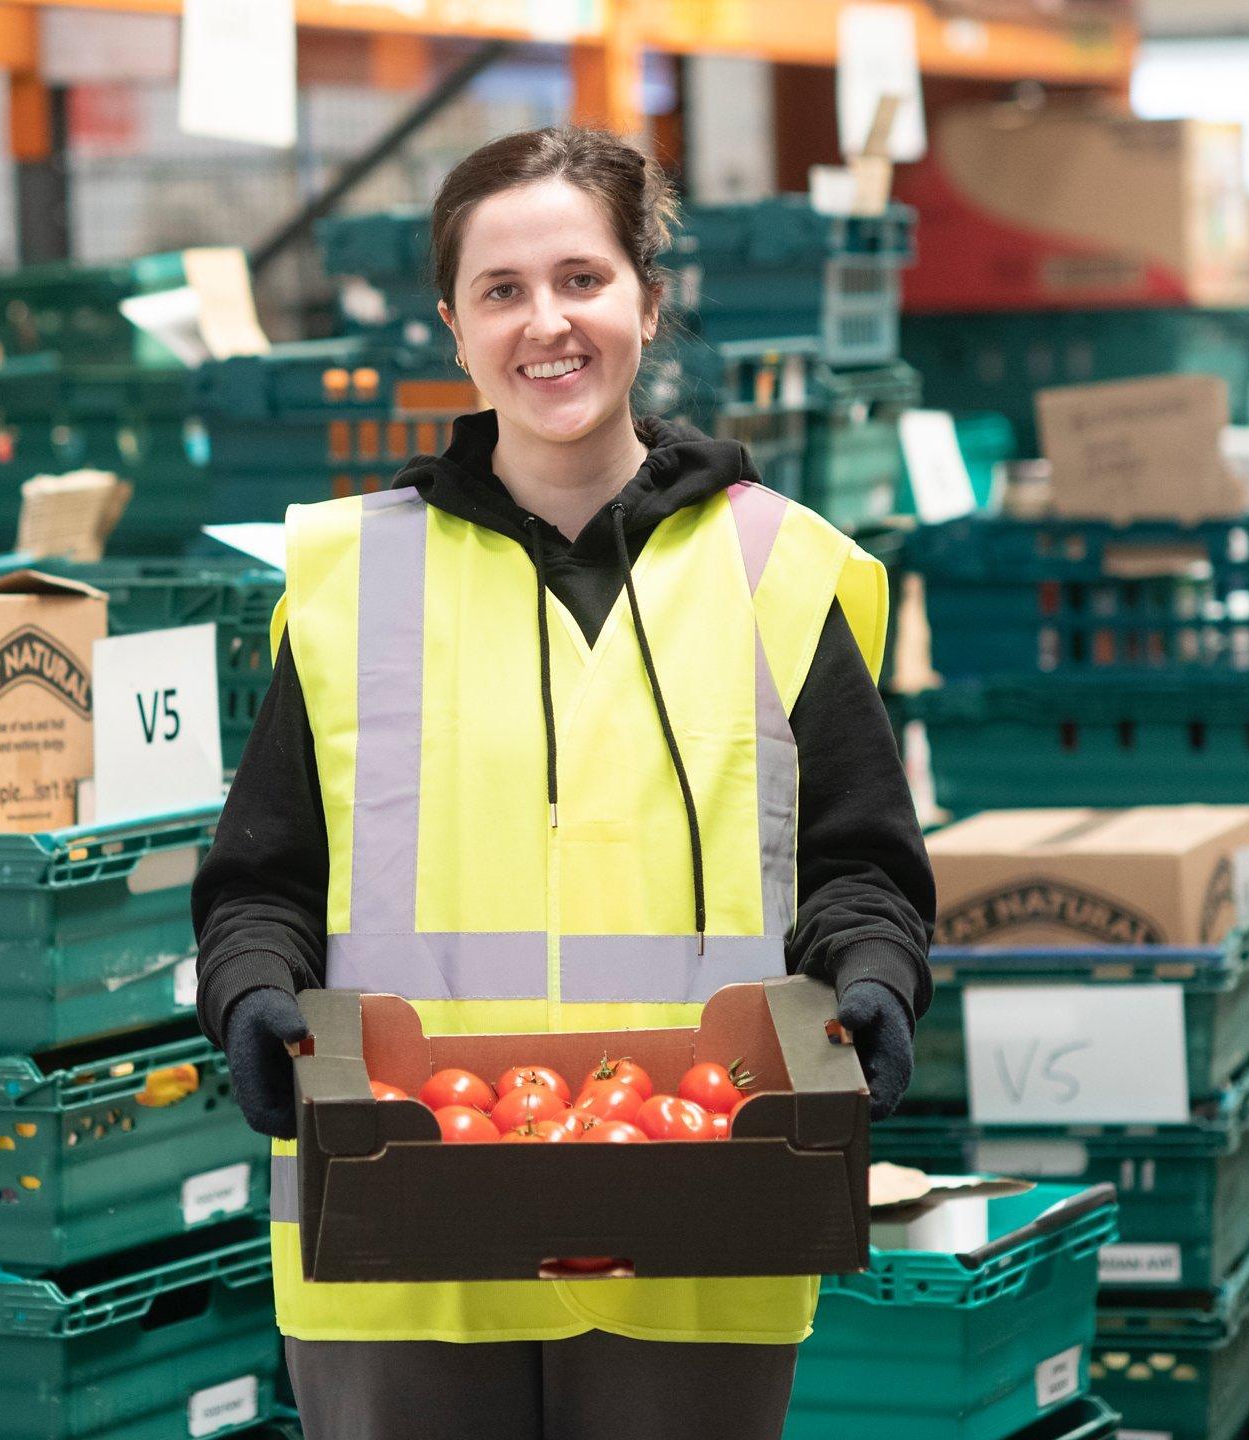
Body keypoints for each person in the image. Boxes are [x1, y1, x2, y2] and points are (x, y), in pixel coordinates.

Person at [193, 124, 935, 1440]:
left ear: (648, 300)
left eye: (583, 279)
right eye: (503, 290)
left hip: (703, 1211)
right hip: (399, 1228)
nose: (550, 324)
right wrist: (251, 993)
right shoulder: (356, 579)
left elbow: (859, 869)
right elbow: (261, 881)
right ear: (454, 326)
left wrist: (872, 982)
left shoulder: (782, 569)